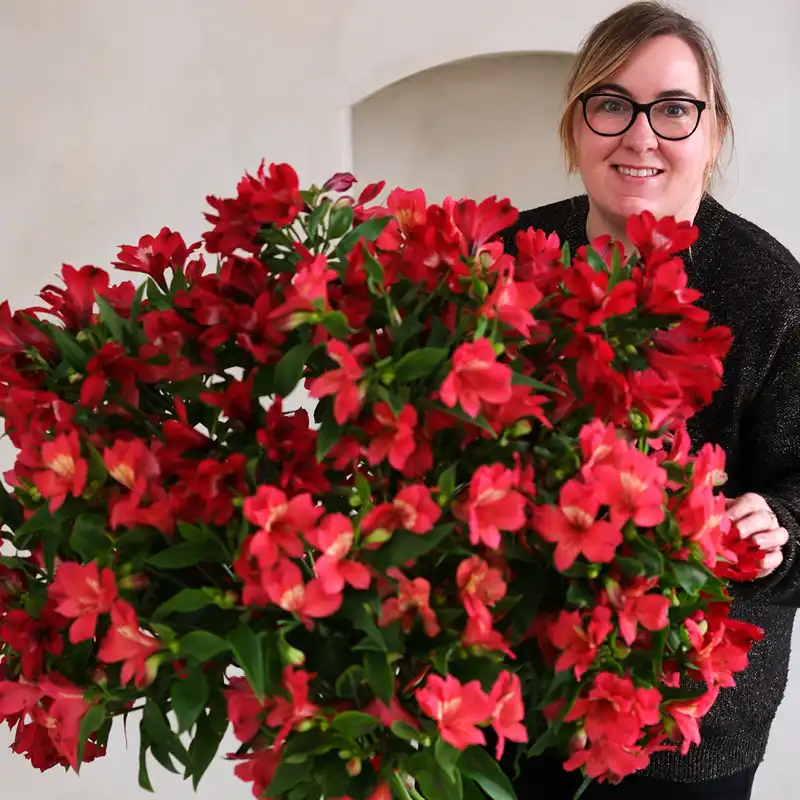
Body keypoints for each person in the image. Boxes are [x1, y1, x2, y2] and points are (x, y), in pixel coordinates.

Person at [498, 2, 800, 798]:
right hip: (510, 700)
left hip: (688, 729)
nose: (640, 135)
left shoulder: (769, 289)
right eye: (610, 104)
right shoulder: (505, 259)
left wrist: (778, 528)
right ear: (575, 128)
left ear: (713, 133)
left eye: (673, 109)